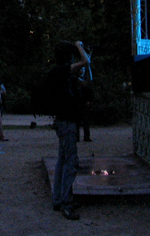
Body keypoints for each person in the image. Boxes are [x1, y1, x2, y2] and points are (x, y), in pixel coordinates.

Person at [47, 41, 90, 220]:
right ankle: (66, 202)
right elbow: (85, 62)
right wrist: (79, 45)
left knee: (62, 161)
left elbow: (87, 82)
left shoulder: (59, 73)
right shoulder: (60, 72)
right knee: (71, 162)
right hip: (67, 123)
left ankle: (58, 199)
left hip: (63, 122)